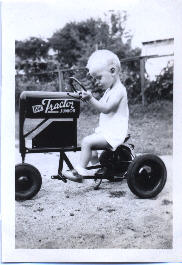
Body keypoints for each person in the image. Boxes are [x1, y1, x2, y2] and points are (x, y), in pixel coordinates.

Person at [64, 49, 129, 182]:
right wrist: (88, 99)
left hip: (114, 133)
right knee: (91, 150)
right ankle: (99, 170)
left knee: (87, 142)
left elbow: (105, 109)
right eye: (95, 79)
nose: (97, 82)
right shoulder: (110, 91)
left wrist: (90, 98)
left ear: (113, 71)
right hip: (107, 131)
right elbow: (100, 106)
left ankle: (79, 173)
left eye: (99, 78)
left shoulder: (119, 91)